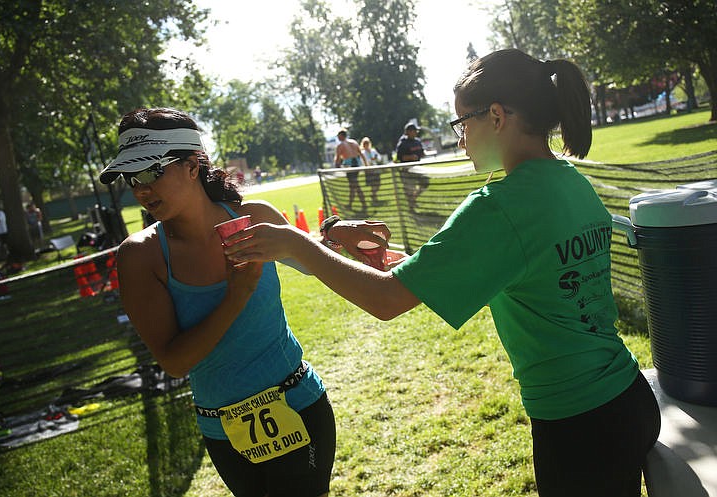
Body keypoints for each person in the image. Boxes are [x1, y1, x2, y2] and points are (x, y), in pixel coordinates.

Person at [224, 49, 661, 497]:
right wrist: (344, 243)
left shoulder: (499, 207)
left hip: (580, 424)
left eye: (461, 123)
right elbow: (485, 263)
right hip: (625, 400)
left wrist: (294, 243)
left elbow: (387, 300)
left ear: (496, 116)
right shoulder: (568, 180)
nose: (460, 140)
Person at [97, 107, 373, 497]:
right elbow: (175, 362)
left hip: (298, 403)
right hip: (223, 429)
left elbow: (312, 260)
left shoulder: (253, 216)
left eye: (152, 171)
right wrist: (236, 294)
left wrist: (340, 233)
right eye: (131, 177)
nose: (141, 188)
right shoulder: (140, 256)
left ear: (192, 165)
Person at [334, 129, 367, 212]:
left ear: (341, 135)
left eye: (338, 136)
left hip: (350, 166)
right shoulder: (354, 142)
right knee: (353, 186)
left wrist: (337, 166)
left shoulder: (341, 145)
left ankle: (364, 204)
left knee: (355, 185)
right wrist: (365, 164)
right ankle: (350, 204)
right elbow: (361, 154)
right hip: (357, 164)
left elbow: (337, 159)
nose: (338, 137)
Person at [360, 137, 381, 204]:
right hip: (369, 170)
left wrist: (376, 158)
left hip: (375, 169)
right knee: (372, 184)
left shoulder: (373, 150)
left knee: (378, 184)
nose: (366, 145)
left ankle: (373, 194)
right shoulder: (362, 153)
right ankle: (374, 197)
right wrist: (370, 160)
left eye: (367, 143)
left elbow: (379, 159)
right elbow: (363, 162)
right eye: (365, 143)